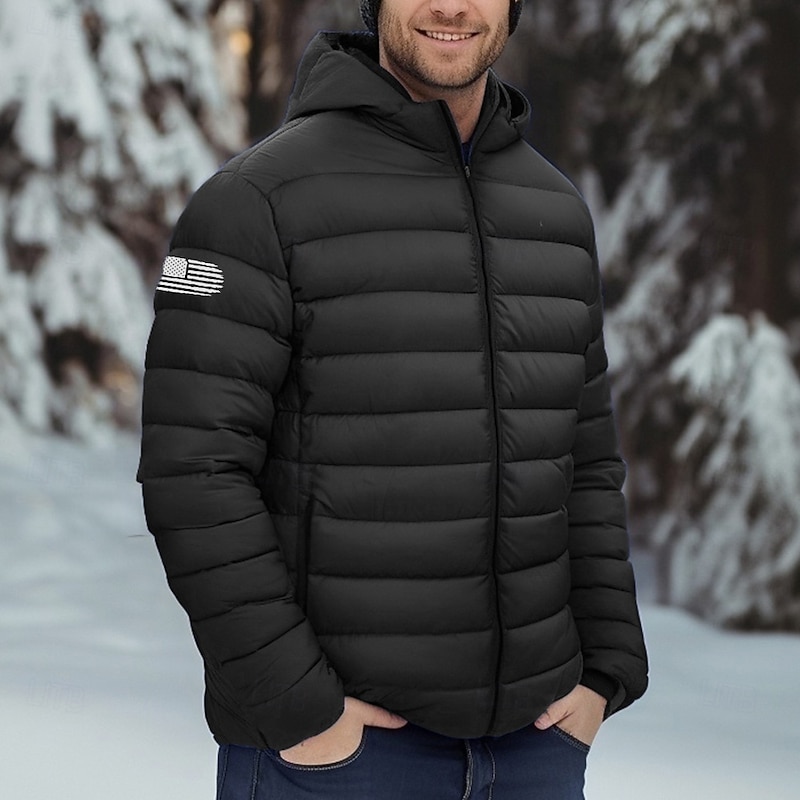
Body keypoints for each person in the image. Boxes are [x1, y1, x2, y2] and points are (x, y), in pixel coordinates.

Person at [136, 1, 649, 797]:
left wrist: (606, 669)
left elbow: (584, 457)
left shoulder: (552, 211)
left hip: (534, 751)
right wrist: (299, 709)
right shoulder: (254, 201)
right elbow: (192, 472)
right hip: (340, 759)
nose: (451, 6)